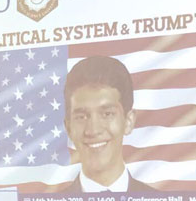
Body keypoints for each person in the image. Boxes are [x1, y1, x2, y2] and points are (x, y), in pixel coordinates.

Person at [63, 55, 154, 192]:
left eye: (107, 114)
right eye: (82, 117)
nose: (93, 130)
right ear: (68, 127)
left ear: (128, 121)